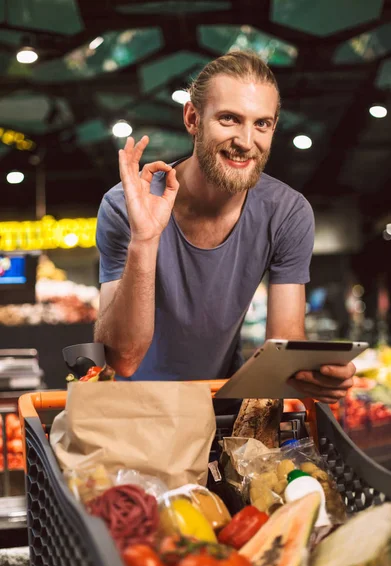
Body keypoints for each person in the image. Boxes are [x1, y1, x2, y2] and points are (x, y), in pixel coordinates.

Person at [94, 50, 355, 404]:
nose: (246, 142)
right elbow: (122, 359)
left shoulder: (287, 212)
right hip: (132, 410)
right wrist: (144, 239)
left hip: (219, 402)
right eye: (230, 119)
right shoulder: (125, 205)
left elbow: (283, 345)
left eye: (261, 123)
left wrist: (316, 374)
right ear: (192, 118)